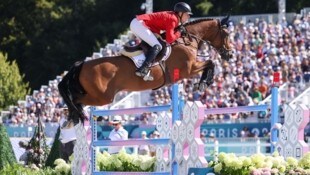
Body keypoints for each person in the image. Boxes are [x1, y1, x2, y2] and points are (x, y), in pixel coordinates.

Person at [130, 2, 192, 78]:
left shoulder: (174, 17)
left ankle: (143, 66)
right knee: (157, 45)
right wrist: (179, 33)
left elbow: (166, 36)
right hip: (139, 24)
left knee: (155, 43)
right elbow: (170, 39)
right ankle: (143, 69)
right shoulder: (173, 19)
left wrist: (177, 31)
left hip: (139, 24)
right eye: (187, 14)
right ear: (180, 13)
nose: (188, 16)